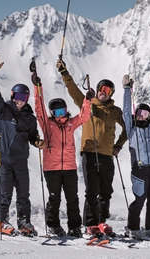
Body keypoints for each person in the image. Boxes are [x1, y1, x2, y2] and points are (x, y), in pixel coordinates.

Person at [56, 59, 128, 237]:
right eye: (102, 89)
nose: (104, 93)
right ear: (97, 89)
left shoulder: (115, 111)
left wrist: (118, 145)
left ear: (111, 93)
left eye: (108, 91)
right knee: (91, 191)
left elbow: (129, 127)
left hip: (107, 155)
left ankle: (102, 221)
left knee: (106, 192)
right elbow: (73, 91)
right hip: (89, 153)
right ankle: (90, 224)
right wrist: (65, 73)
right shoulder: (88, 104)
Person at [31, 71, 94, 238]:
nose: (61, 115)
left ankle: (74, 227)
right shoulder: (47, 124)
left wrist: (88, 100)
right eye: (57, 112)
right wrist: (38, 87)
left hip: (69, 168)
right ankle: (53, 225)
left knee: (72, 199)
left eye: (63, 111)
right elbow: (38, 108)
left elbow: (84, 116)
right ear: (52, 113)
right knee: (54, 198)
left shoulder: (70, 124)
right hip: (51, 169)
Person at [0, 55, 44, 237]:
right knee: (5, 195)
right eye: (18, 96)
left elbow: (32, 136)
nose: (20, 100)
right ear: (12, 96)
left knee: (23, 195)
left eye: (24, 97)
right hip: (3, 158)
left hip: (20, 160)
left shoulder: (30, 118)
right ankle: (1, 222)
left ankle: (24, 223)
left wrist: (37, 142)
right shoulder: (3, 110)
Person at [121, 74, 150, 242]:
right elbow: (126, 111)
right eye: (139, 112)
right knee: (139, 201)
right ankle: (132, 228)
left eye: (146, 113)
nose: (142, 115)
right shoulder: (131, 129)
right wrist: (127, 89)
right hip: (139, 169)